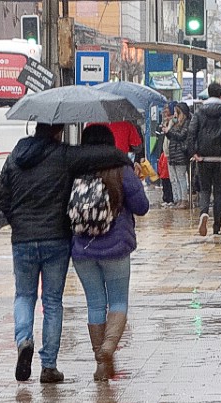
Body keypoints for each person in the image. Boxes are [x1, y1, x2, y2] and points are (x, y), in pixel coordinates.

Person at [0, 123, 131, 383]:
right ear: (58, 131)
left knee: (24, 295)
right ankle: (49, 365)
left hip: (22, 239)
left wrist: (18, 222)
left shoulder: (15, 156)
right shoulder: (63, 154)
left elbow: (4, 197)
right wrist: (122, 156)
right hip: (56, 239)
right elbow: (97, 155)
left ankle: (24, 340)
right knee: (52, 301)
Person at [72, 125, 150, 380]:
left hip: (82, 247)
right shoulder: (121, 169)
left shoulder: (75, 169)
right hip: (116, 246)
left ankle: (101, 363)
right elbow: (141, 207)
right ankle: (107, 349)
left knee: (95, 303)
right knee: (117, 302)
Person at [186, 82, 221, 236]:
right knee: (218, 192)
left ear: (208, 93)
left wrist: (194, 152)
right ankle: (217, 227)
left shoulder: (199, 112)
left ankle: (204, 212)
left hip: (204, 157)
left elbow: (191, 133)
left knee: (204, 189)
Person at [162, 102, 191, 208]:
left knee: (181, 177)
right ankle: (178, 199)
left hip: (180, 154)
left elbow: (181, 136)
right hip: (173, 153)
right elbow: (172, 137)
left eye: (176, 112)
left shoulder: (186, 123)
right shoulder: (175, 123)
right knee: (175, 178)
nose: (174, 114)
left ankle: (184, 199)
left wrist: (169, 132)